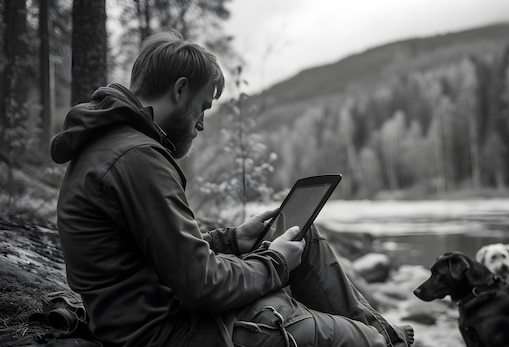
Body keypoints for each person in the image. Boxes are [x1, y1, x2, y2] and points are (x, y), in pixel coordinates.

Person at [50, 28, 414, 347]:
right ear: (180, 91)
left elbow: (158, 254)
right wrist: (274, 262)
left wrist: (233, 240)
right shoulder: (137, 158)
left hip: (158, 312)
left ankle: (388, 337)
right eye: (203, 107)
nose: (201, 124)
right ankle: (381, 338)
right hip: (165, 332)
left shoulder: (116, 145)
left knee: (304, 236)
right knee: (364, 341)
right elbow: (201, 285)